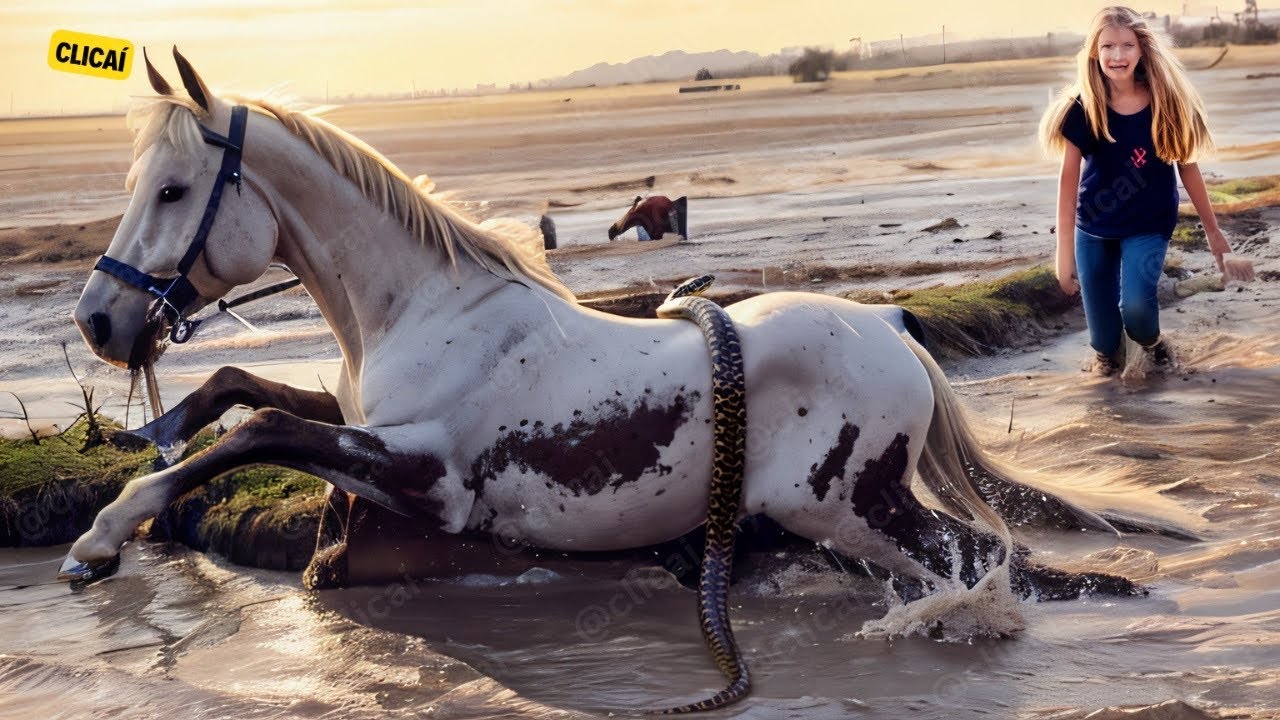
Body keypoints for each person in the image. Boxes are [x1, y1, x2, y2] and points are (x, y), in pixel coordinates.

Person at [1038, 6, 1250, 376]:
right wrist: (1064, 254)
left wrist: (1215, 234)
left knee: (1136, 311)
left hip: (1148, 225)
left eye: (1126, 46)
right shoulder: (1082, 109)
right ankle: (1110, 369)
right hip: (1094, 228)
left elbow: (1188, 168)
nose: (1117, 56)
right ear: (1094, 52)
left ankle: (1154, 347)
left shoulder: (1165, 103)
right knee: (1104, 345)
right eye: (1107, 47)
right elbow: (1067, 184)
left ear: (1141, 50)